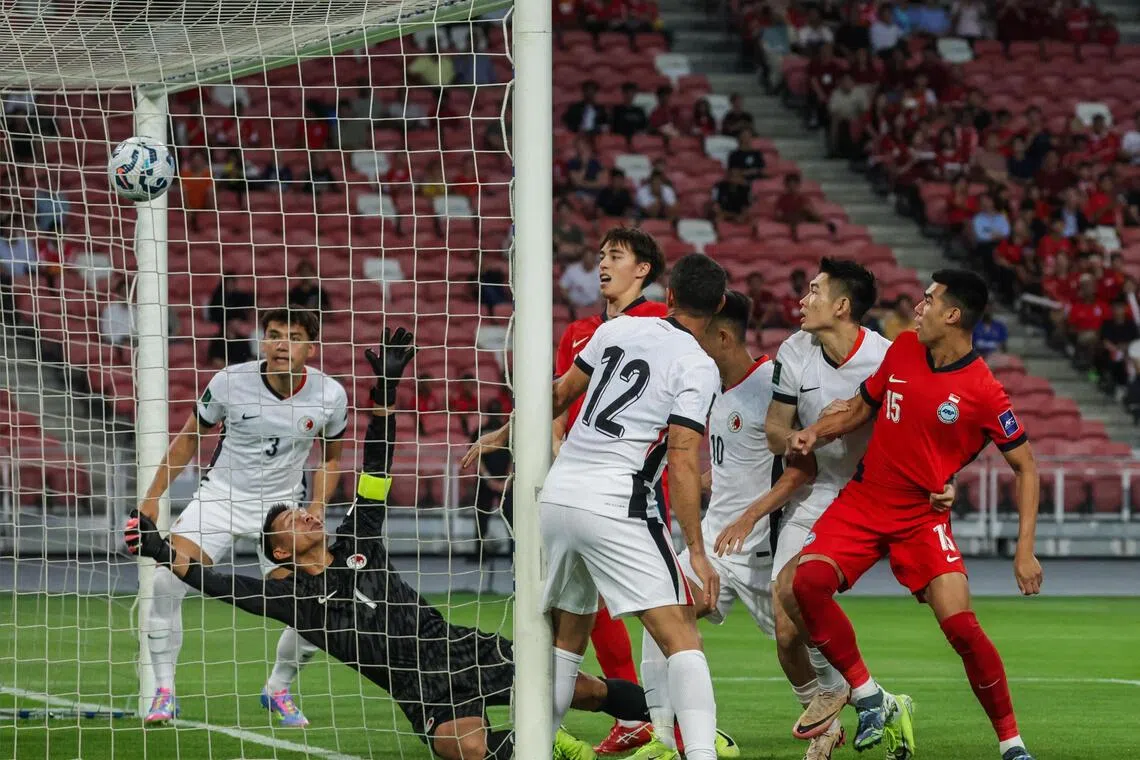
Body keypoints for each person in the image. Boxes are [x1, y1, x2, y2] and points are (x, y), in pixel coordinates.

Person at [126, 329, 645, 760]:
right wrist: (157, 545)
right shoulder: (292, 600)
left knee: (589, 692)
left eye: (302, 508)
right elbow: (217, 583)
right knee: (456, 749)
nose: (306, 511)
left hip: (460, 649)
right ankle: (548, 751)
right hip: (419, 691)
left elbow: (376, 465)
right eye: (291, 517)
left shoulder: (361, 537)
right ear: (280, 552)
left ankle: (674, 726)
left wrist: (385, 393)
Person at [784, 270, 1042, 760]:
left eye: (928, 301)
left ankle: (1012, 744)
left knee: (963, 629)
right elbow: (862, 409)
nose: (917, 308)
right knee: (807, 582)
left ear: (953, 315)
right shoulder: (902, 349)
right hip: (865, 499)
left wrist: (1024, 550)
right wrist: (816, 431)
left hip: (921, 516)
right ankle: (868, 696)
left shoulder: (983, 390)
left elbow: (1025, 466)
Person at [536, 252, 728, 760]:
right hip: (615, 500)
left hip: (559, 494)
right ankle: (702, 755)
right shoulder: (697, 365)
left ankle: (532, 749)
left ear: (669, 296)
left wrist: (501, 432)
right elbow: (684, 461)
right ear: (719, 306)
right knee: (681, 633)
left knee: (567, 639)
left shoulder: (615, 330)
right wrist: (697, 550)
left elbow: (557, 396)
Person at [128, 309, 349, 727]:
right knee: (165, 581)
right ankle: (164, 692)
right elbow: (189, 437)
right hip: (221, 498)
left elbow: (332, 457)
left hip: (283, 510)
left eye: (294, 337)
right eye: (274, 335)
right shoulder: (231, 381)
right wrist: (153, 497)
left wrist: (318, 504)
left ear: (311, 347)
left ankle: (278, 689)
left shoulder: (330, 394)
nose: (282, 344)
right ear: (263, 341)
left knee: (315, 605)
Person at [728, 259, 900, 757]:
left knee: (790, 590)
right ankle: (847, 711)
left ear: (842, 306)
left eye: (813, 291)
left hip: (870, 495)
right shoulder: (794, 350)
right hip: (814, 490)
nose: (802, 301)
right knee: (785, 635)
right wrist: (801, 439)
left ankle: (857, 689)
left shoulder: (886, 359)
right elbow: (776, 430)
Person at [633, 290, 786, 760]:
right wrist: (701, 483)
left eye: (700, 335)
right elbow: (732, 463)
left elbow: (806, 466)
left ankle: (877, 703)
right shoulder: (709, 386)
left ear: (722, 336)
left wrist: (750, 513)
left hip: (766, 554)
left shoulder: (774, 386)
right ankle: (663, 740)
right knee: (662, 608)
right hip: (718, 546)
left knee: (818, 666)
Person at [551, 226, 668, 755]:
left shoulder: (661, 323)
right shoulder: (578, 330)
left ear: (642, 269)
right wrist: (553, 456)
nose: (601, 264)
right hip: (573, 480)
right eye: (599, 256)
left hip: (628, 484)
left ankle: (669, 722)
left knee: (658, 610)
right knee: (576, 607)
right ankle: (635, 717)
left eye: (614, 256)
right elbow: (558, 406)